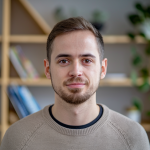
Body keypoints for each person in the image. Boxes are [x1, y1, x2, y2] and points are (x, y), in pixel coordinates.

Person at [0, 17, 149, 150]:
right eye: (64, 61)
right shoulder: (18, 139)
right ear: (48, 69)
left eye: (87, 60)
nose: (76, 71)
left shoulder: (133, 137)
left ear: (103, 69)